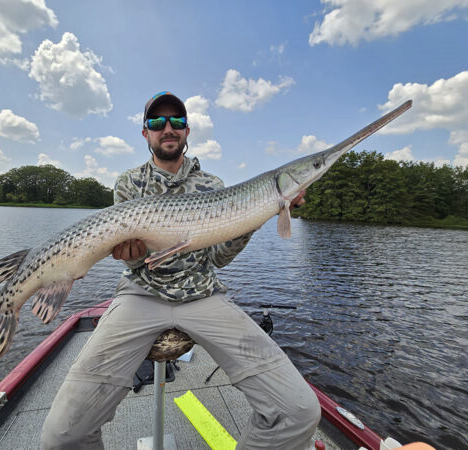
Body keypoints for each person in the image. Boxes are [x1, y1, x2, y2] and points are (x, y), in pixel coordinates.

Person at [42, 92, 320, 449]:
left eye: (176, 121)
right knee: (61, 434)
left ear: (187, 130)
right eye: (157, 123)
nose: (167, 128)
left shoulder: (212, 185)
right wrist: (132, 256)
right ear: (146, 134)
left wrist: (257, 213)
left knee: (299, 411)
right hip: (141, 293)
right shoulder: (129, 183)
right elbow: (131, 258)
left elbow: (219, 258)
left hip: (203, 294)